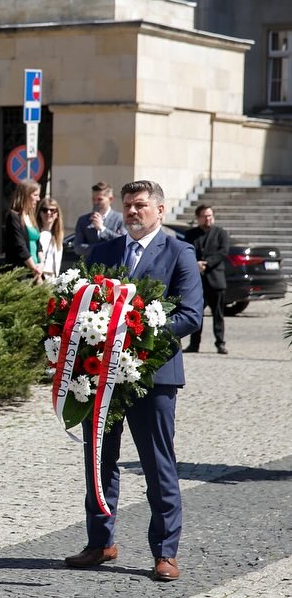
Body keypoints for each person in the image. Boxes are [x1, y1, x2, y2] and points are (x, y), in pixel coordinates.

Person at [66, 180, 203, 582]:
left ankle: (165, 551)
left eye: (140, 205)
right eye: (127, 205)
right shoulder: (103, 251)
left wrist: (137, 338)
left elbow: (191, 315)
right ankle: (100, 542)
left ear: (160, 210)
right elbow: (82, 305)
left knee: (157, 464)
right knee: (99, 460)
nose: (132, 212)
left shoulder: (179, 251)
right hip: (99, 377)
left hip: (153, 377)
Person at [183, 204, 229, 355]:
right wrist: (194, 264)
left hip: (216, 280)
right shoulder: (191, 234)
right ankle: (194, 344)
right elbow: (186, 251)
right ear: (198, 218)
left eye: (210, 216)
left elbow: (223, 252)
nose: (208, 219)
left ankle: (220, 344)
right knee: (196, 314)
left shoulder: (220, 233)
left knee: (218, 315)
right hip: (197, 282)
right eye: (205, 216)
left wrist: (206, 263)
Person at [3, 180, 43, 282]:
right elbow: (20, 246)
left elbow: (38, 245)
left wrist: (41, 264)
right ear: (25, 195)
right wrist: (34, 268)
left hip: (36, 272)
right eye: (35, 195)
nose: (38, 199)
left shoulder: (31, 217)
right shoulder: (13, 217)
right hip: (22, 274)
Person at [73, 181, 126, 258]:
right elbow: (78, 248)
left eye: (99, 199)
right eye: (93, 199)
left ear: (110, 199)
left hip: (113, 266)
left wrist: (102, 229)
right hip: (90, 266)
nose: (95, 202)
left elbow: (124, 242)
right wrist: (104, 248)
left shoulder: (120, 218)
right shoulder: (83, 220)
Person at [37, 196, 64, 281]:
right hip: (40, 276)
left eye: (52, 210)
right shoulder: (37, 234)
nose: (48, 213)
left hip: (53, 279)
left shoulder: (58, 235)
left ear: (57, 214)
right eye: (45, 210)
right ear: (40, 213)